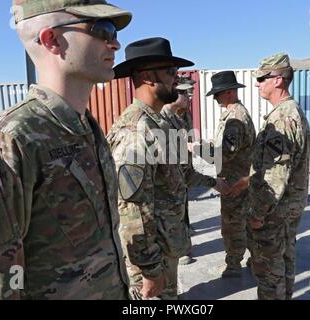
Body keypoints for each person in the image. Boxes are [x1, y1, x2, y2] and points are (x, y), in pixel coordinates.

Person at [0, 0, 132, 300]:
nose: (115, 43)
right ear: (52, 40)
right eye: (103, 30)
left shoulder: (86, 128)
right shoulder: (7, 142)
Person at [107, 37, 228, 300]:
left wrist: (213, 183)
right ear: (149, 77)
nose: (177, 78)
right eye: (171, 72)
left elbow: (180, 174)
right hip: (150, 261)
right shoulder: (136, 132)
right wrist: (149, 271)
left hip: (167, 249)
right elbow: (131, 212)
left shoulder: (160, 125)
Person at [247, 53, 310, 300]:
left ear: (278, 80)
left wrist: (257, 214)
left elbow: (275, 176)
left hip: (274, 213)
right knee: (284, 264)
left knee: (270, 275)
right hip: (286, 210)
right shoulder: (290, 111)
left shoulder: (283, 119)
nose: (257, 83)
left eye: (262, 78)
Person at [161, 77, 222, 266]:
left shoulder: (183, 115)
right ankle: (179, 251)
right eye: (185, 93)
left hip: (184, 170)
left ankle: (182, 246)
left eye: (191, 92)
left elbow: (190, 145)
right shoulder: (162, 119)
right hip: (171, 177)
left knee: (183, 209)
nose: (189, 96)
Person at [201, 71, 256, 277]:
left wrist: (196, 149)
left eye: (218, 93)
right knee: (245, 222)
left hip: (235, 182)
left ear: (230, 92)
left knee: (233, 226)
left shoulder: (235, 119)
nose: (215, 97)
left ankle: (233, 265)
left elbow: (223, 155)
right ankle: (254, 257)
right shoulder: (233, 115)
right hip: (239, 179)